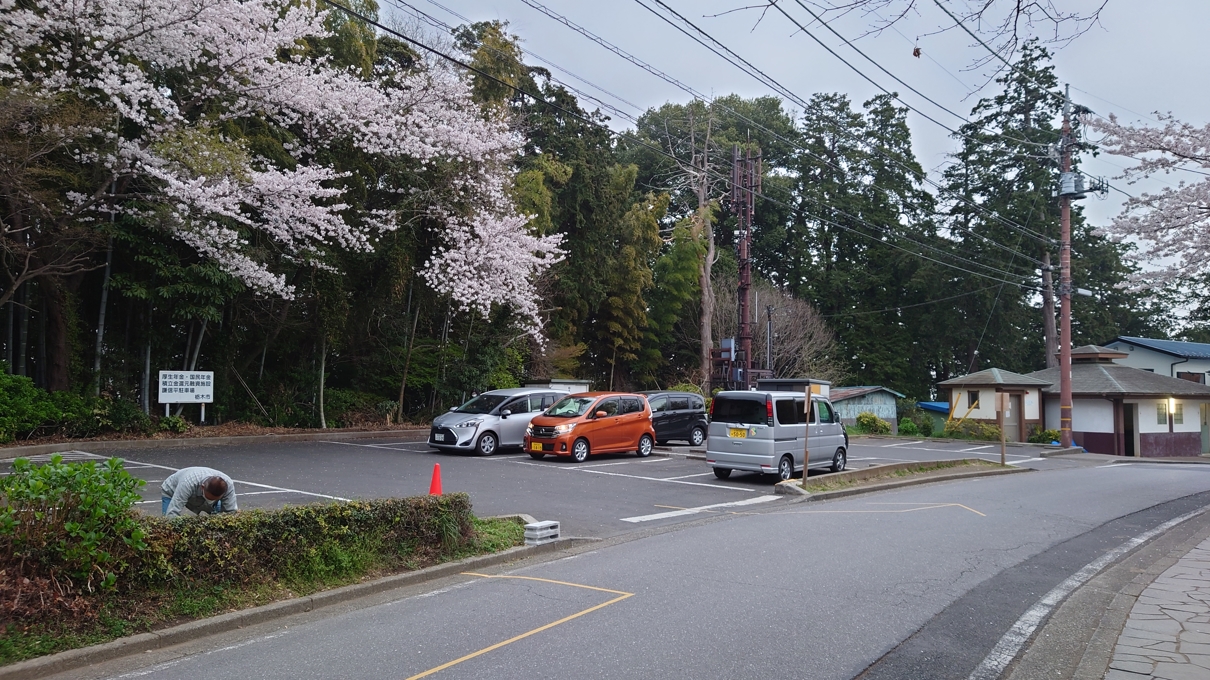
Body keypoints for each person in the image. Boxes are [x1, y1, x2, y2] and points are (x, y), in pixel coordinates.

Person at [161, 467, 238, 518]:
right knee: (167, 519)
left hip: (197, 492)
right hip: (172, 490)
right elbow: (173, 512)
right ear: (202, 487)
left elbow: (231, 512)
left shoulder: (228, 485)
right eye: (209, 498)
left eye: (214, 499)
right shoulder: (187, 484)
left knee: (218, 512)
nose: (210, 501)